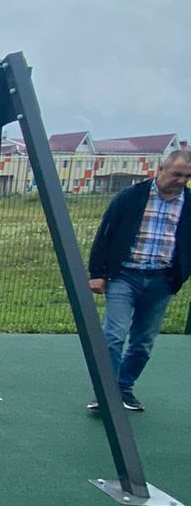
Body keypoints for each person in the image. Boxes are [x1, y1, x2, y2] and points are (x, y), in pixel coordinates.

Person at [86, 148, 191, 410]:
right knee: (114, 335)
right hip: (125, 275)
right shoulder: (131, 197)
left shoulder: (188, 204)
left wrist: (179, 274)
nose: (181, 180)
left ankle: (124, 388)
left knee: (143, 342)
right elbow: (106, 233)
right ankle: (106, 392)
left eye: (187, 176)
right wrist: (97, 273)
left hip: (161, 280)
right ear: (161, 169)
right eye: (176, 174)